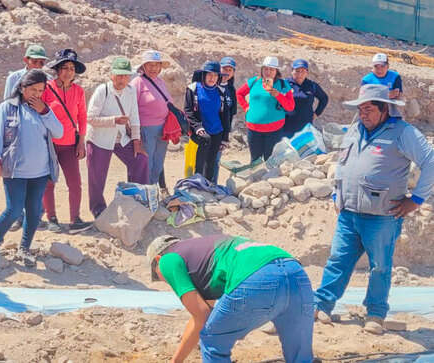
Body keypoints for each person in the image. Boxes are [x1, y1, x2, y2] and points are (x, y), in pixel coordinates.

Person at [314, 84, 434, 334]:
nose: (362, 114)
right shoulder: (356, 129)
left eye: (368, 108)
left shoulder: (403, 132)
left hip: (382, 218)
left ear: (384, 109)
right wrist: (337, 191)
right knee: (338, 260)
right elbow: (342, 161)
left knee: (379, 266)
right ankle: (321, 305)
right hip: (348, 214)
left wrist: (416, 200)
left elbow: (430, 161)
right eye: (360, 109)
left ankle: (376, 314)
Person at [147, 234, 313, 363]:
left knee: (213, 340)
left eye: (158, 276)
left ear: (157, 259)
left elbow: (204, 317)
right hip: (295, 272)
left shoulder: (167, 259)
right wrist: (176, 360)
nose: (165, 280)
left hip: (256, 276)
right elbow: (201, 319)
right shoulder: (202, 256)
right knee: (299, 354)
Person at [0, 69, 63, 268]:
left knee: (35, 211)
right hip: (15, 170)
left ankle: (24, 248)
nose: (37, 95)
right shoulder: (7, 108)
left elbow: (59, 132)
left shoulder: (45, 110)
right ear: (22, 88)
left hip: (40, 171)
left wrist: (45, 112)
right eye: (32, 90)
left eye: (40, 90)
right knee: (13, 210)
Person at [86, 57, 148, 218]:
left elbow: (134, 116)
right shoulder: (102, 90)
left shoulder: (131, 91)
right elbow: (90, 118)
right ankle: (98, 209)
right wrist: (114, 120)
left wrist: (136, 140)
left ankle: (135, 199)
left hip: (122, 138)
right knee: (97, 176)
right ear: (111, 75)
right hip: (100, 139)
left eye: (126, 76)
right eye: (119, 75)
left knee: (140, 160)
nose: (122, 79)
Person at [40, 49, 92, 234]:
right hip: (50, 145)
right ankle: (51, 218)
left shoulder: (78, 91)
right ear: (57, 69)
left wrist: (81, 141)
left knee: (75, 183)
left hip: (70, 144)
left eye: (71, 68)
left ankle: (74, 220)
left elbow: (82, 116)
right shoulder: (46, 88)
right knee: (49, 182)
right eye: (64, 67)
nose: (68, 72)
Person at [2, 44, 50, 232]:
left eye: (41, 62)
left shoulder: (47, 80)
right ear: (26, 60)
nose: (38, 64)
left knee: (37, 174)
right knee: (18, 175)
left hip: (38, 131)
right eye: (35, 61)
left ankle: (36, 215)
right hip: (16, 131)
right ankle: (18, 216)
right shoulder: (14, 78)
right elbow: (7, 103)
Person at [236, 56, 295, 162]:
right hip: (254, 128)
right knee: (255, 159)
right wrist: (245, 106)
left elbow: (290, 106)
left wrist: (278, 95)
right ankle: (254, 178)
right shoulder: (254, 81)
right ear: (261, 69)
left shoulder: (283, 85)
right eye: (265, 69)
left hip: (274, 129)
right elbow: (239, 93)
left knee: (270, 159)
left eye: (271, 69)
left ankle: (267, 178)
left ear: (276, 71)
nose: (268, 72)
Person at [130, 50, 172, 194]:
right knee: (146, 165)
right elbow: (131, 108)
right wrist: (136, 135)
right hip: (146, 129)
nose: (154, 68)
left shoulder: (160, 81)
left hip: (164, 130)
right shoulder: (137, 82)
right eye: (150, 65)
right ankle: (144, 195)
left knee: (158, 165)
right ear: (144, 66)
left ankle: (153, 194)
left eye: (156, 65)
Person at [185, 61, 231, 182]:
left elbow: (225, 115)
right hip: (199, 130)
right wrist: (197, 127)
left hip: (217, 130)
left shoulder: (221, 92)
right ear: (204, 75)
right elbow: (188, 111)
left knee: (211, 162)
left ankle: (208, 186)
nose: (212, 78)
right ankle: (197, 178)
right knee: (205, 142)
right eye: (210, 74)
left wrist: (225, 137)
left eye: (216, 75)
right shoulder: (193, 89)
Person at [283, 59, 329, 138]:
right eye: (297, 70)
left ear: (307, 73)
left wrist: (317, 113)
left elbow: (324, 98)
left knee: (304, 149)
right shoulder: (284, 84)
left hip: (305, 129)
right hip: (286, 128)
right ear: (292, 71)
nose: (299, 74)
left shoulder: (312, 86)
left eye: (303, 71)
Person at [209, 56, 237, 183]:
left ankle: (212, 185)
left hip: (221, 131)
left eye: (230, 70)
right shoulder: (210, 85)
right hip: (207, 129)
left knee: (215, 160)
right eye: (224, 68)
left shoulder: (231, 90)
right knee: (203, 159)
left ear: (233, 73)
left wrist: (226, 134)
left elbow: (231, 113)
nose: (226, 72)